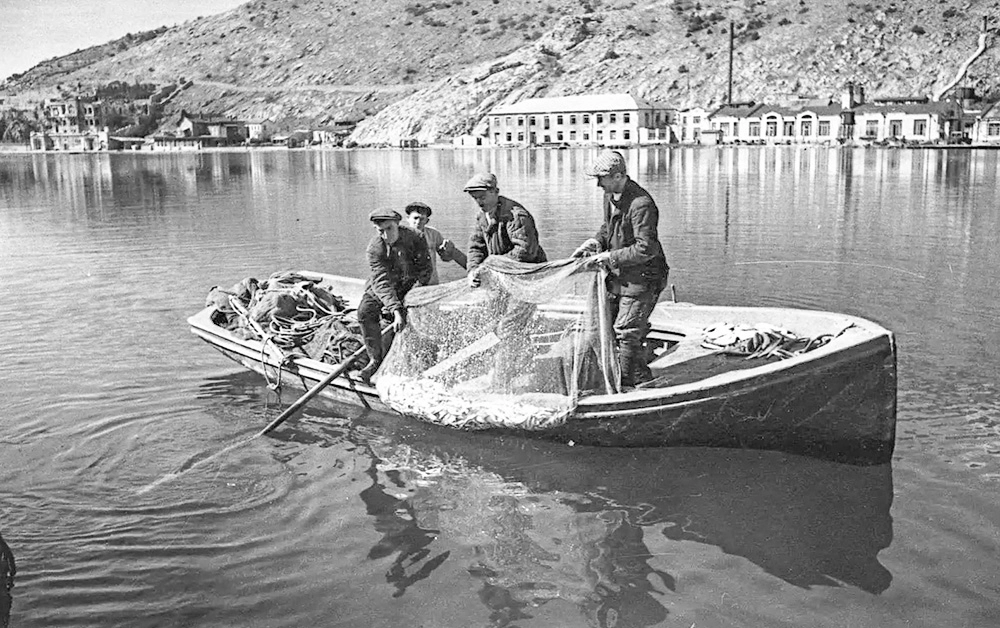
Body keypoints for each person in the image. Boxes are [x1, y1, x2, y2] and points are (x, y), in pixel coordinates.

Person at [573, 150, 669, 388]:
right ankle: (642, 379)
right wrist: (594, 243)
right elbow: (608, 229)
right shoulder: (610, 196)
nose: (597, 184)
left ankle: (625, 387)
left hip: (643, 279)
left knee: (626, 331)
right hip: (621, 277)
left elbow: (646, 248)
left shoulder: (641, 204)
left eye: (601, 178)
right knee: (612, 330)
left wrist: (610, 257)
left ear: (618, 176)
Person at [356, 208, 433, 384]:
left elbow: (425, 269)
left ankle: (418, 361)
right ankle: (375, 360)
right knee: (365, 312)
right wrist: (395, 309)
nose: (385, 235)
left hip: (409, 286)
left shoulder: (416, 237)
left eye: (389, 229)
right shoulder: (375, 248)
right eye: (380, 230)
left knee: (414, 318)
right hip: (381, 288)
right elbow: (381, 282)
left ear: (398, 224)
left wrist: (415, 294)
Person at [462, 172, 547, 286]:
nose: (479, 202)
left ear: (496, 192)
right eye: (475, 198)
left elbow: (526, 251)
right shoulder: (482, 216)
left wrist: (493, 264)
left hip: (528, 275)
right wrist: (473, 270)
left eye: (482, 197)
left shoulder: (516, 216)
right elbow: (476, 247)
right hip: (502, 274)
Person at [404, 201, 467, 285]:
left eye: (422, 219)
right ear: (408, 218)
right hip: (410, 285)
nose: (418, 222)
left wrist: (448, 250)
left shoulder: (433, 234)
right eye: (415, 218)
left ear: (427, 221)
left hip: (431, 283)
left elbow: (446, 258)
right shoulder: (401, 235)